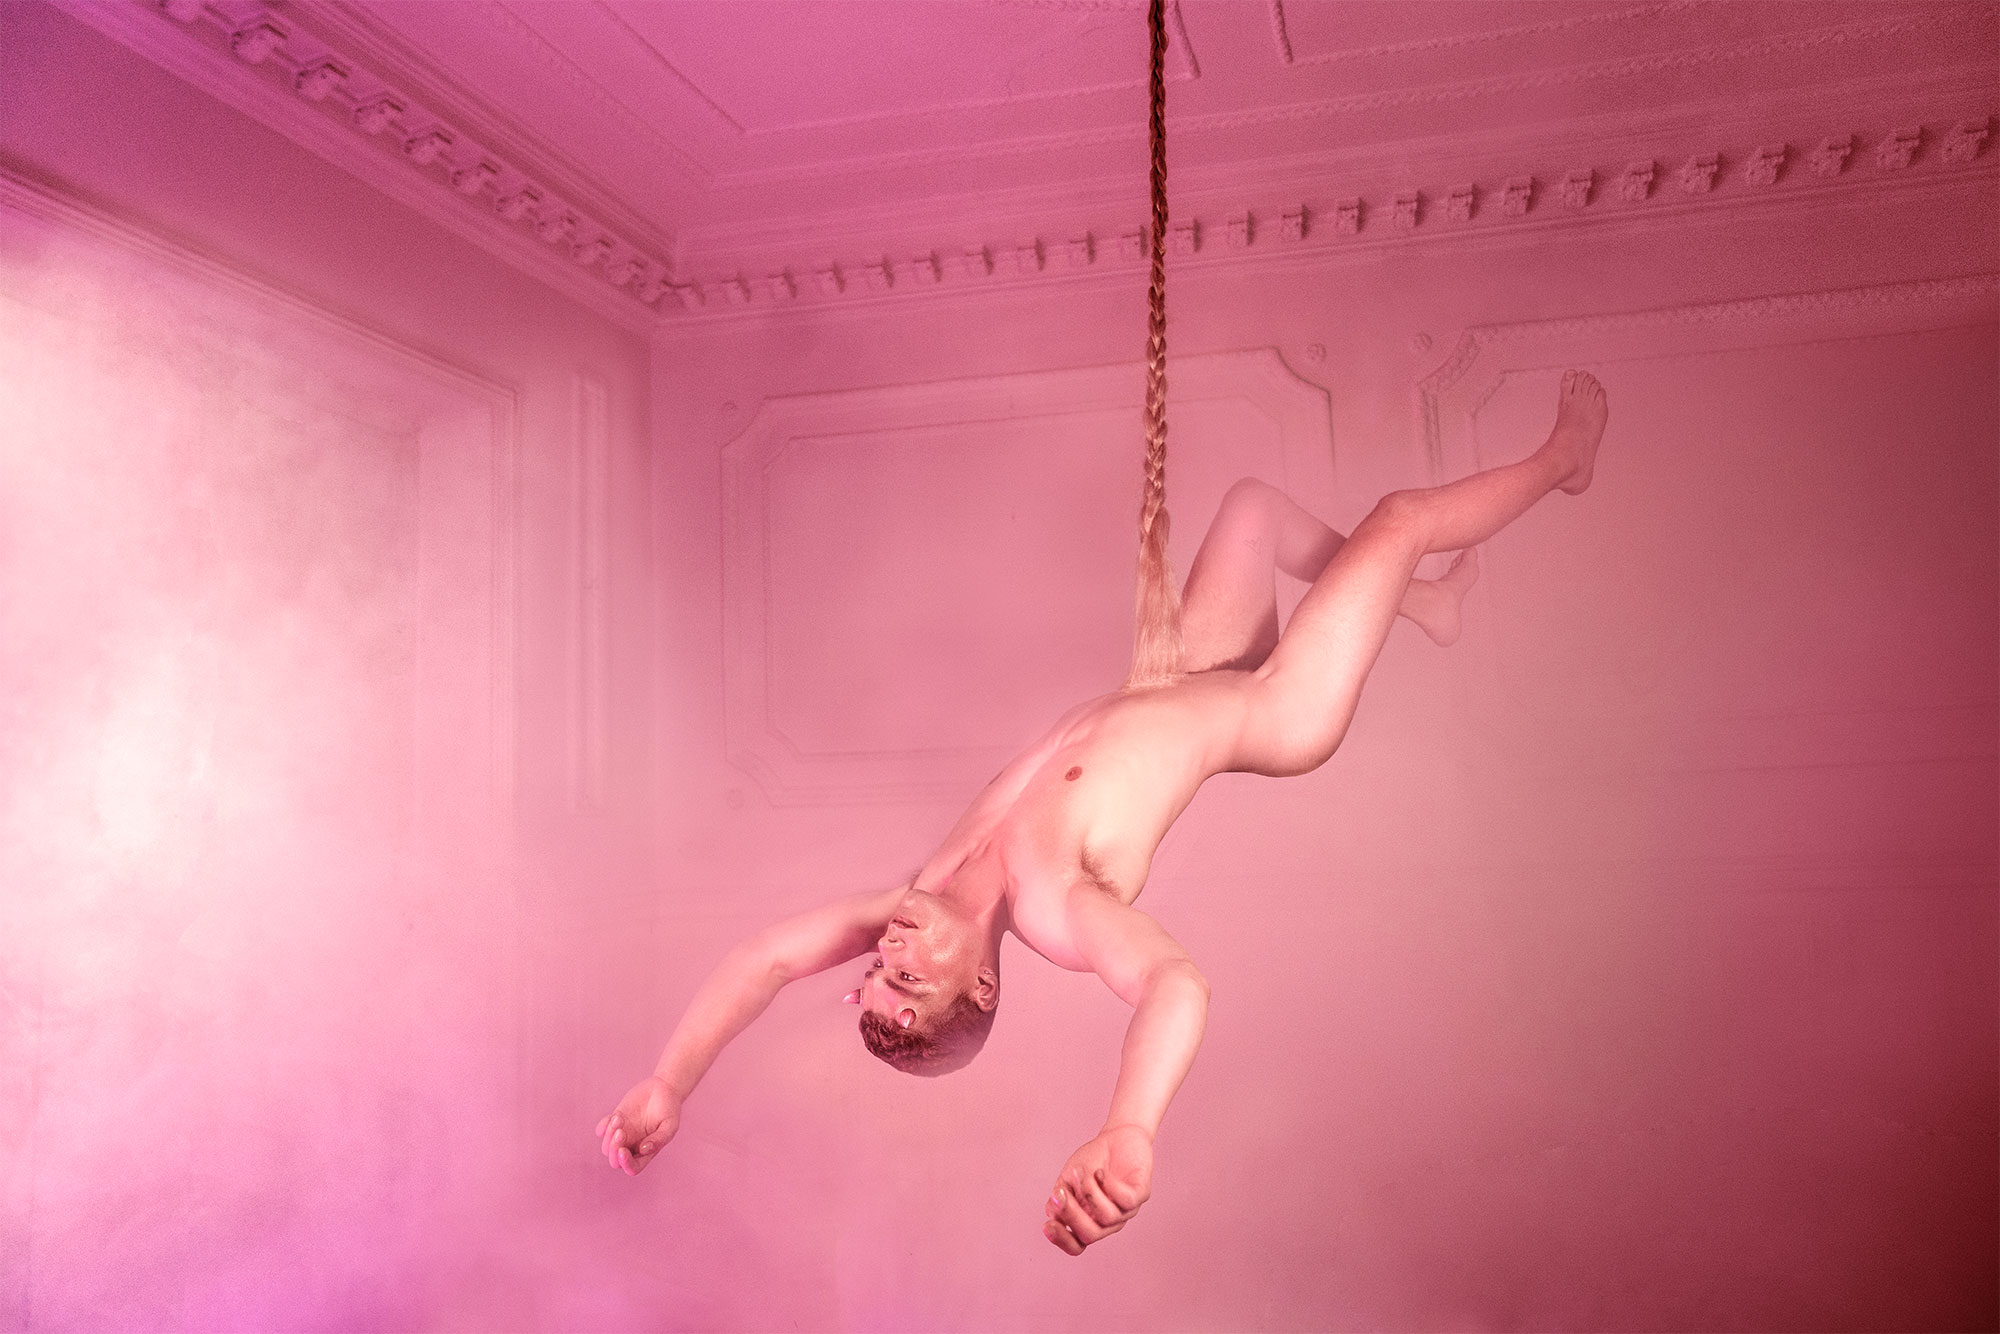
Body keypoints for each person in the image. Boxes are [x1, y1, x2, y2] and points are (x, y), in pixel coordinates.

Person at [595, 370, 1609, 1256]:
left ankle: (1423, 606)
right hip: (1273, 706)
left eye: (873, 973)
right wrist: (1131, 1126)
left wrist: (669, 1082)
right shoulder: (1053, 905)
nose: (886, 950)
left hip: (1179, 673)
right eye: (907, 975)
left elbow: (766, 959)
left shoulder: (925, 889)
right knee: (1399, 518)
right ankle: (1562, 463)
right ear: (982, 983)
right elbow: (1173, 982)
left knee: (1253, 508)